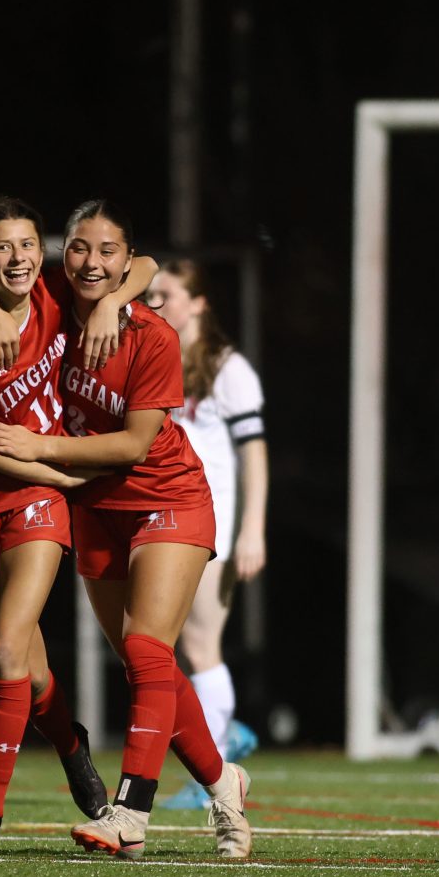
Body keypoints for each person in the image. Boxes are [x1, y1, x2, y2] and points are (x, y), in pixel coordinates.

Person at [0, 201, 252, 860]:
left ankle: (130, 812)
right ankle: (224, 783)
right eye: (79, 247)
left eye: (109, 251)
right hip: (97, 506)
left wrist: (39, 446)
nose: (92, 261)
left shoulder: (153, 335)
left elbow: (134, 445)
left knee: (146, 647)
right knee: (143, 661)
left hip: (169, 495)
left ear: (128, 261)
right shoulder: (46, 307)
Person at [0, 194, 151, 858]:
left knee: (6, 651)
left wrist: (112, 304)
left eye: (28, 244)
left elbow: (144, 265)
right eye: (2, 247)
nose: (18, 257)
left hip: (37, 495)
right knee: (28, 670)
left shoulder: (57, 294)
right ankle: (71, 744)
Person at [143, 259, 268, 810]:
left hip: (213, 523)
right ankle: (223, 736)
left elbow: (254, 454)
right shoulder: (155, 360)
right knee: (157, 644)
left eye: (166, 293)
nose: (155, 302)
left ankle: (212, 770)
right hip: (167, 520)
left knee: (199, 644)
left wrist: (252, 530)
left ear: (198, 303)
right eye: (150, 293)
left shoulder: (227, 367)